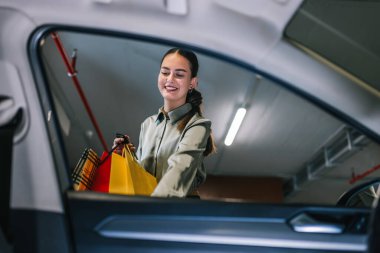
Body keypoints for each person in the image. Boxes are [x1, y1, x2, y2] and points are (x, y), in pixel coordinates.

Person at [113, 47, 216, 197]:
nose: (170, 79)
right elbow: (142, 177)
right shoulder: (148, 124)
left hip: (176, 212)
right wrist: (126, 158)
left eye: (179, 74)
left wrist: (149, 208)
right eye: (165, 72)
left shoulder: (198, 126)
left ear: (192, 83)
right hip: (148, 208)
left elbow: (179, 172)